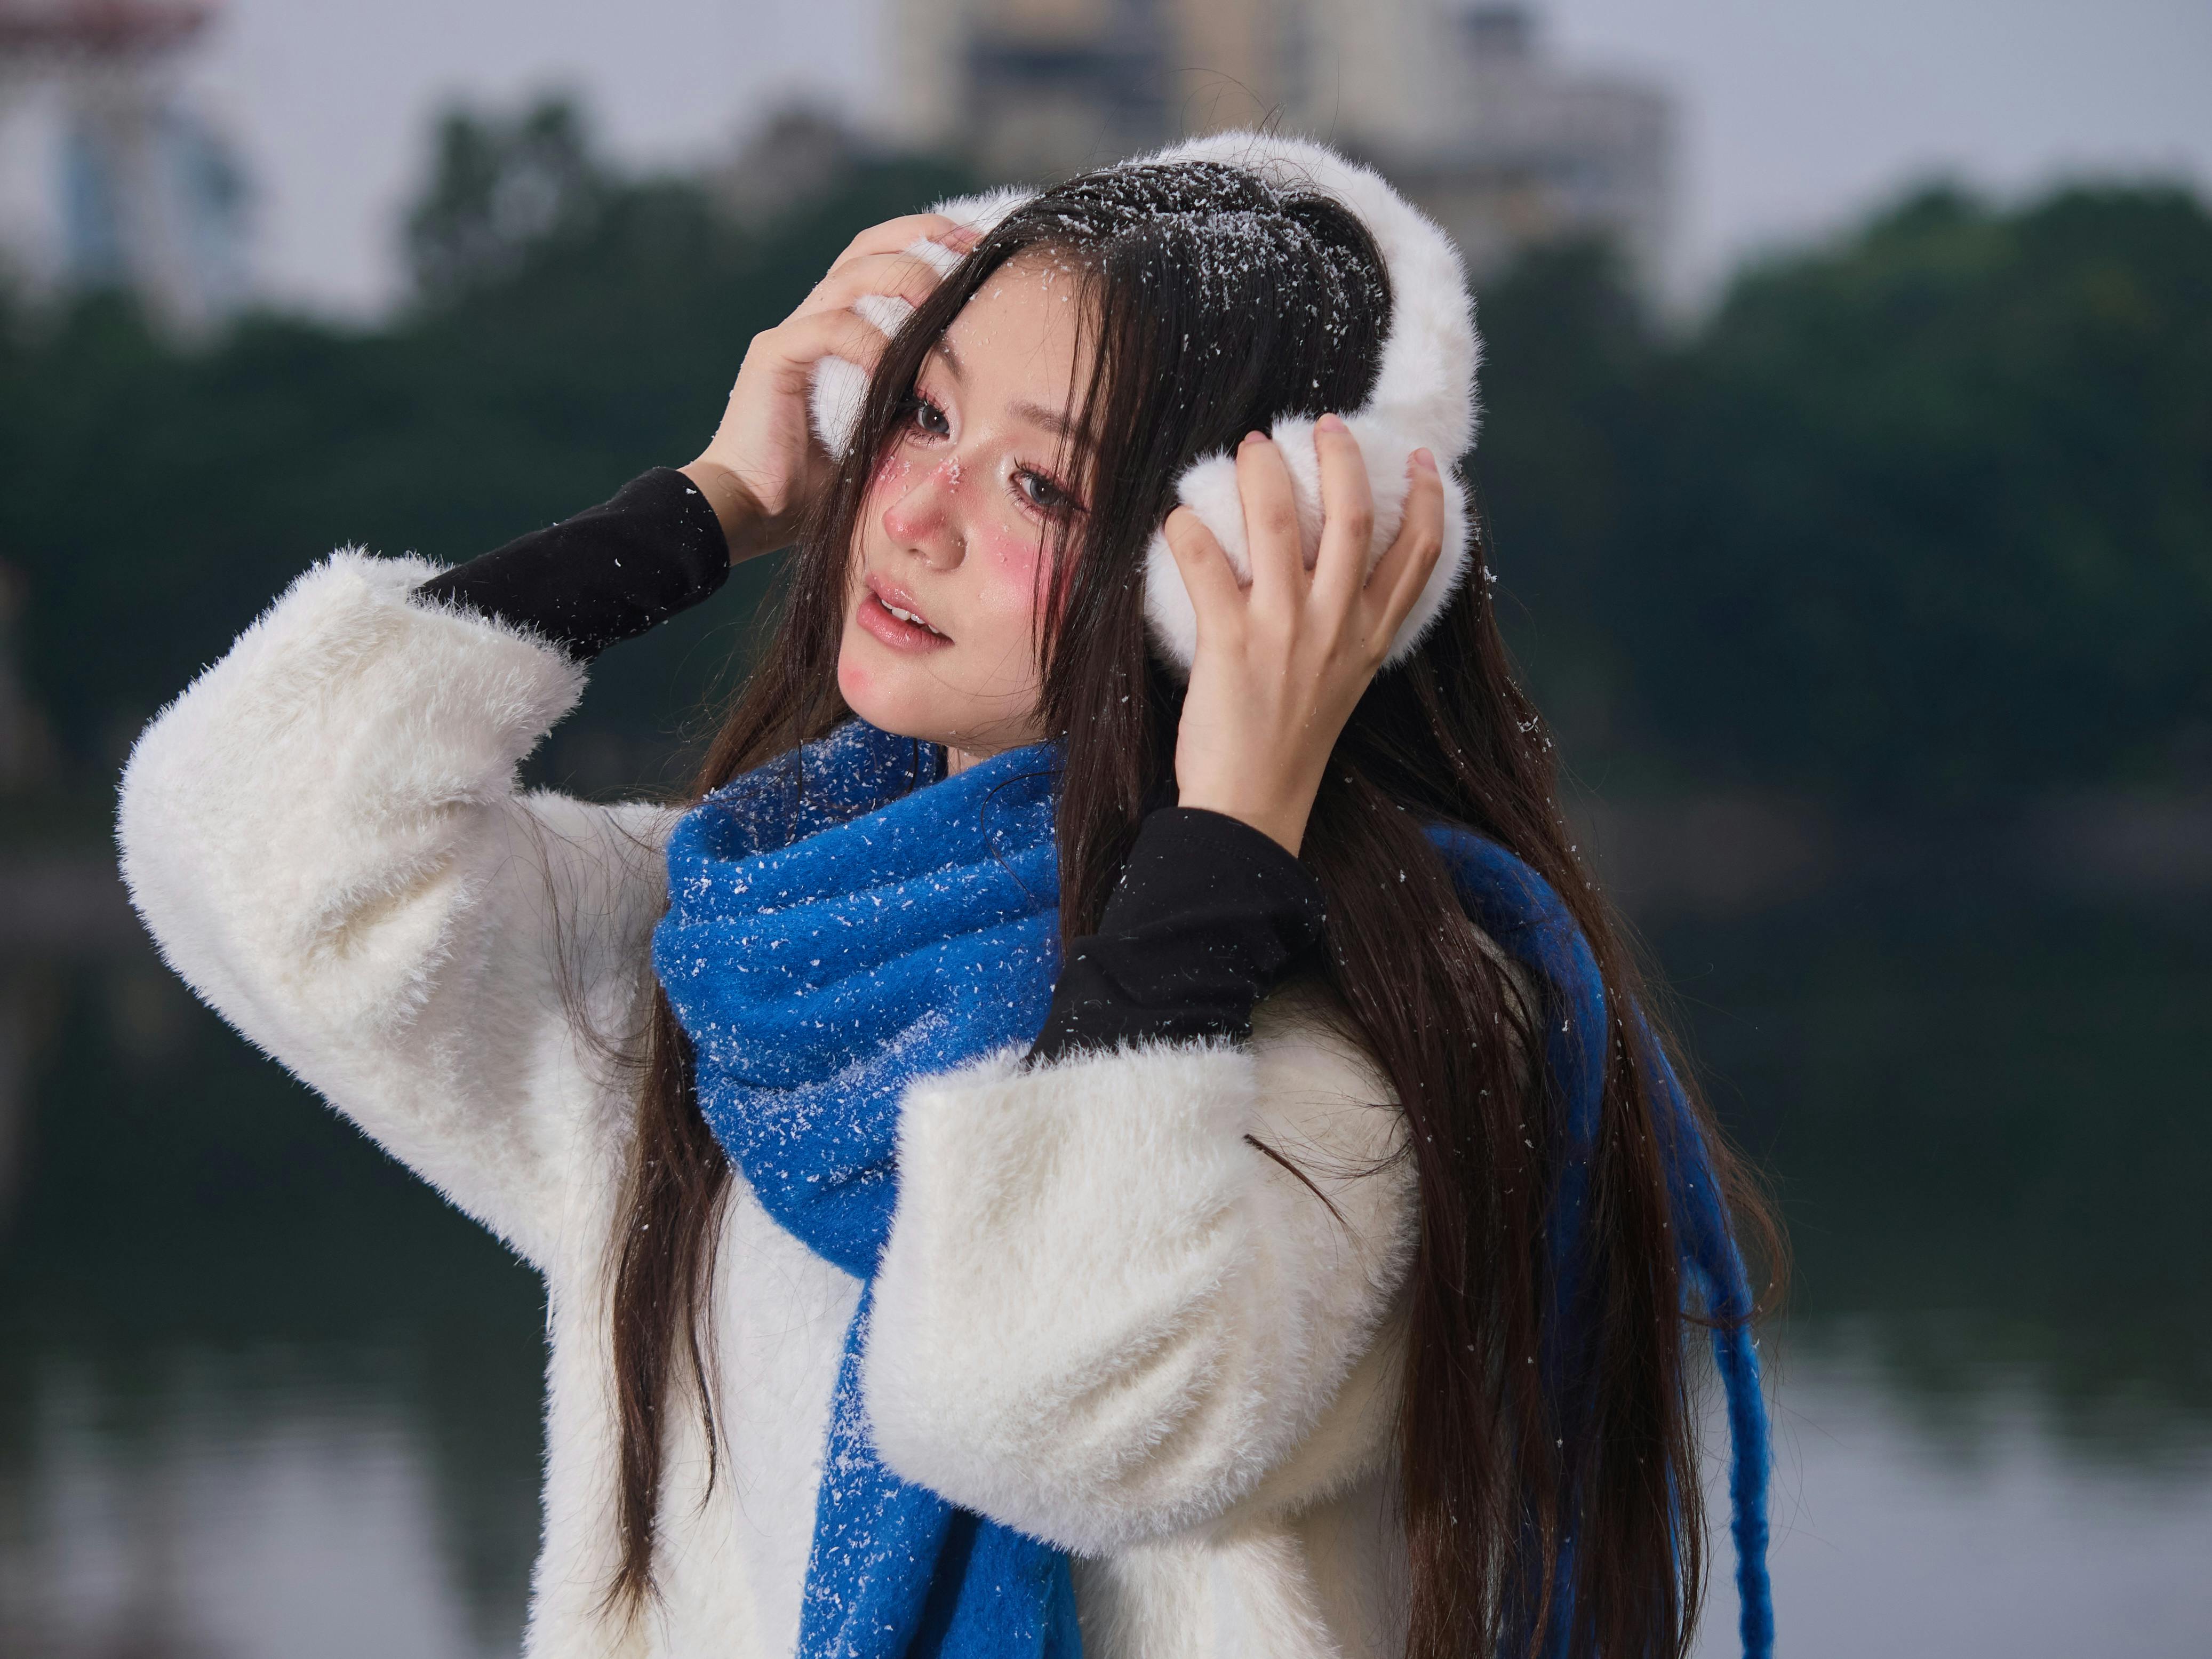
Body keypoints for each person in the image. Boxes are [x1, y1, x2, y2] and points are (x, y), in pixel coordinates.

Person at [117, 133, 1776, 1659]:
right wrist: (703, 508)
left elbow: (1041, 1403)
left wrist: (1228, 821)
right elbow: (244, 837)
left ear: (1228, 566)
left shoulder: (1352, 1061)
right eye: (915, 415)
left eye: (1040, 487)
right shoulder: (733, 966)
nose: (908, 515)